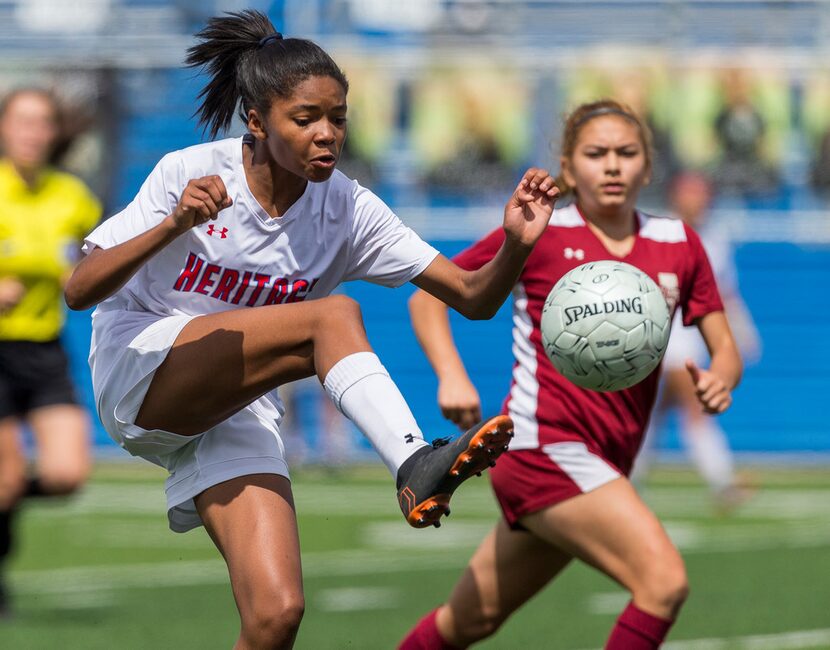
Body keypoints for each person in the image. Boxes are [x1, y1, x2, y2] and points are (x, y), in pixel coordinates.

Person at [63, 10, 559, 649]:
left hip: (237, 403)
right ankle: (414, 461)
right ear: (256, 120)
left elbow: (471, 297)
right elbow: (79, 290)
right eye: (305, 119)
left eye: (339, 118)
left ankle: (416, 466)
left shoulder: (347, 206)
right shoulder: (191, 171)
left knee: (276, 616)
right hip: (142, 365)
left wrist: (517, 245)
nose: (327, 134)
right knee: (334, 315)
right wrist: (172, 224)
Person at [399, 99, 743, 650]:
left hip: (606, 460)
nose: (612, 165)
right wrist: (451, 375)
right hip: (540, 448)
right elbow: (431, 298)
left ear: (647, 167)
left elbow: (724, 346)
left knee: (466, 623)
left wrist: (723, 377)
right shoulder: (542, 233)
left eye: (627, 153)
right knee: (663, 582)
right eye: (596, 153)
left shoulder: (679, 243)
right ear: (568, 164)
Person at [0, 87, 102, 616]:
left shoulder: (73, 197)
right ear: (2, 127)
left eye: (42, 123)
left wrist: (83, 275)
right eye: (22, 122)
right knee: (5, 476)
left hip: (42, 349)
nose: (32, 134)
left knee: (66, 474)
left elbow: (95, 262)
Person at [634, 171, 761, 513]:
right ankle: (723, 480)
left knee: (652, 413)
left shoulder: (715, 237)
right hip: (665, 333)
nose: (696, 200)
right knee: (692, 408)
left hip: (694, 334)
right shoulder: (658, 233)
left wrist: (741, 331)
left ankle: (626, 479)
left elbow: (723, 291)